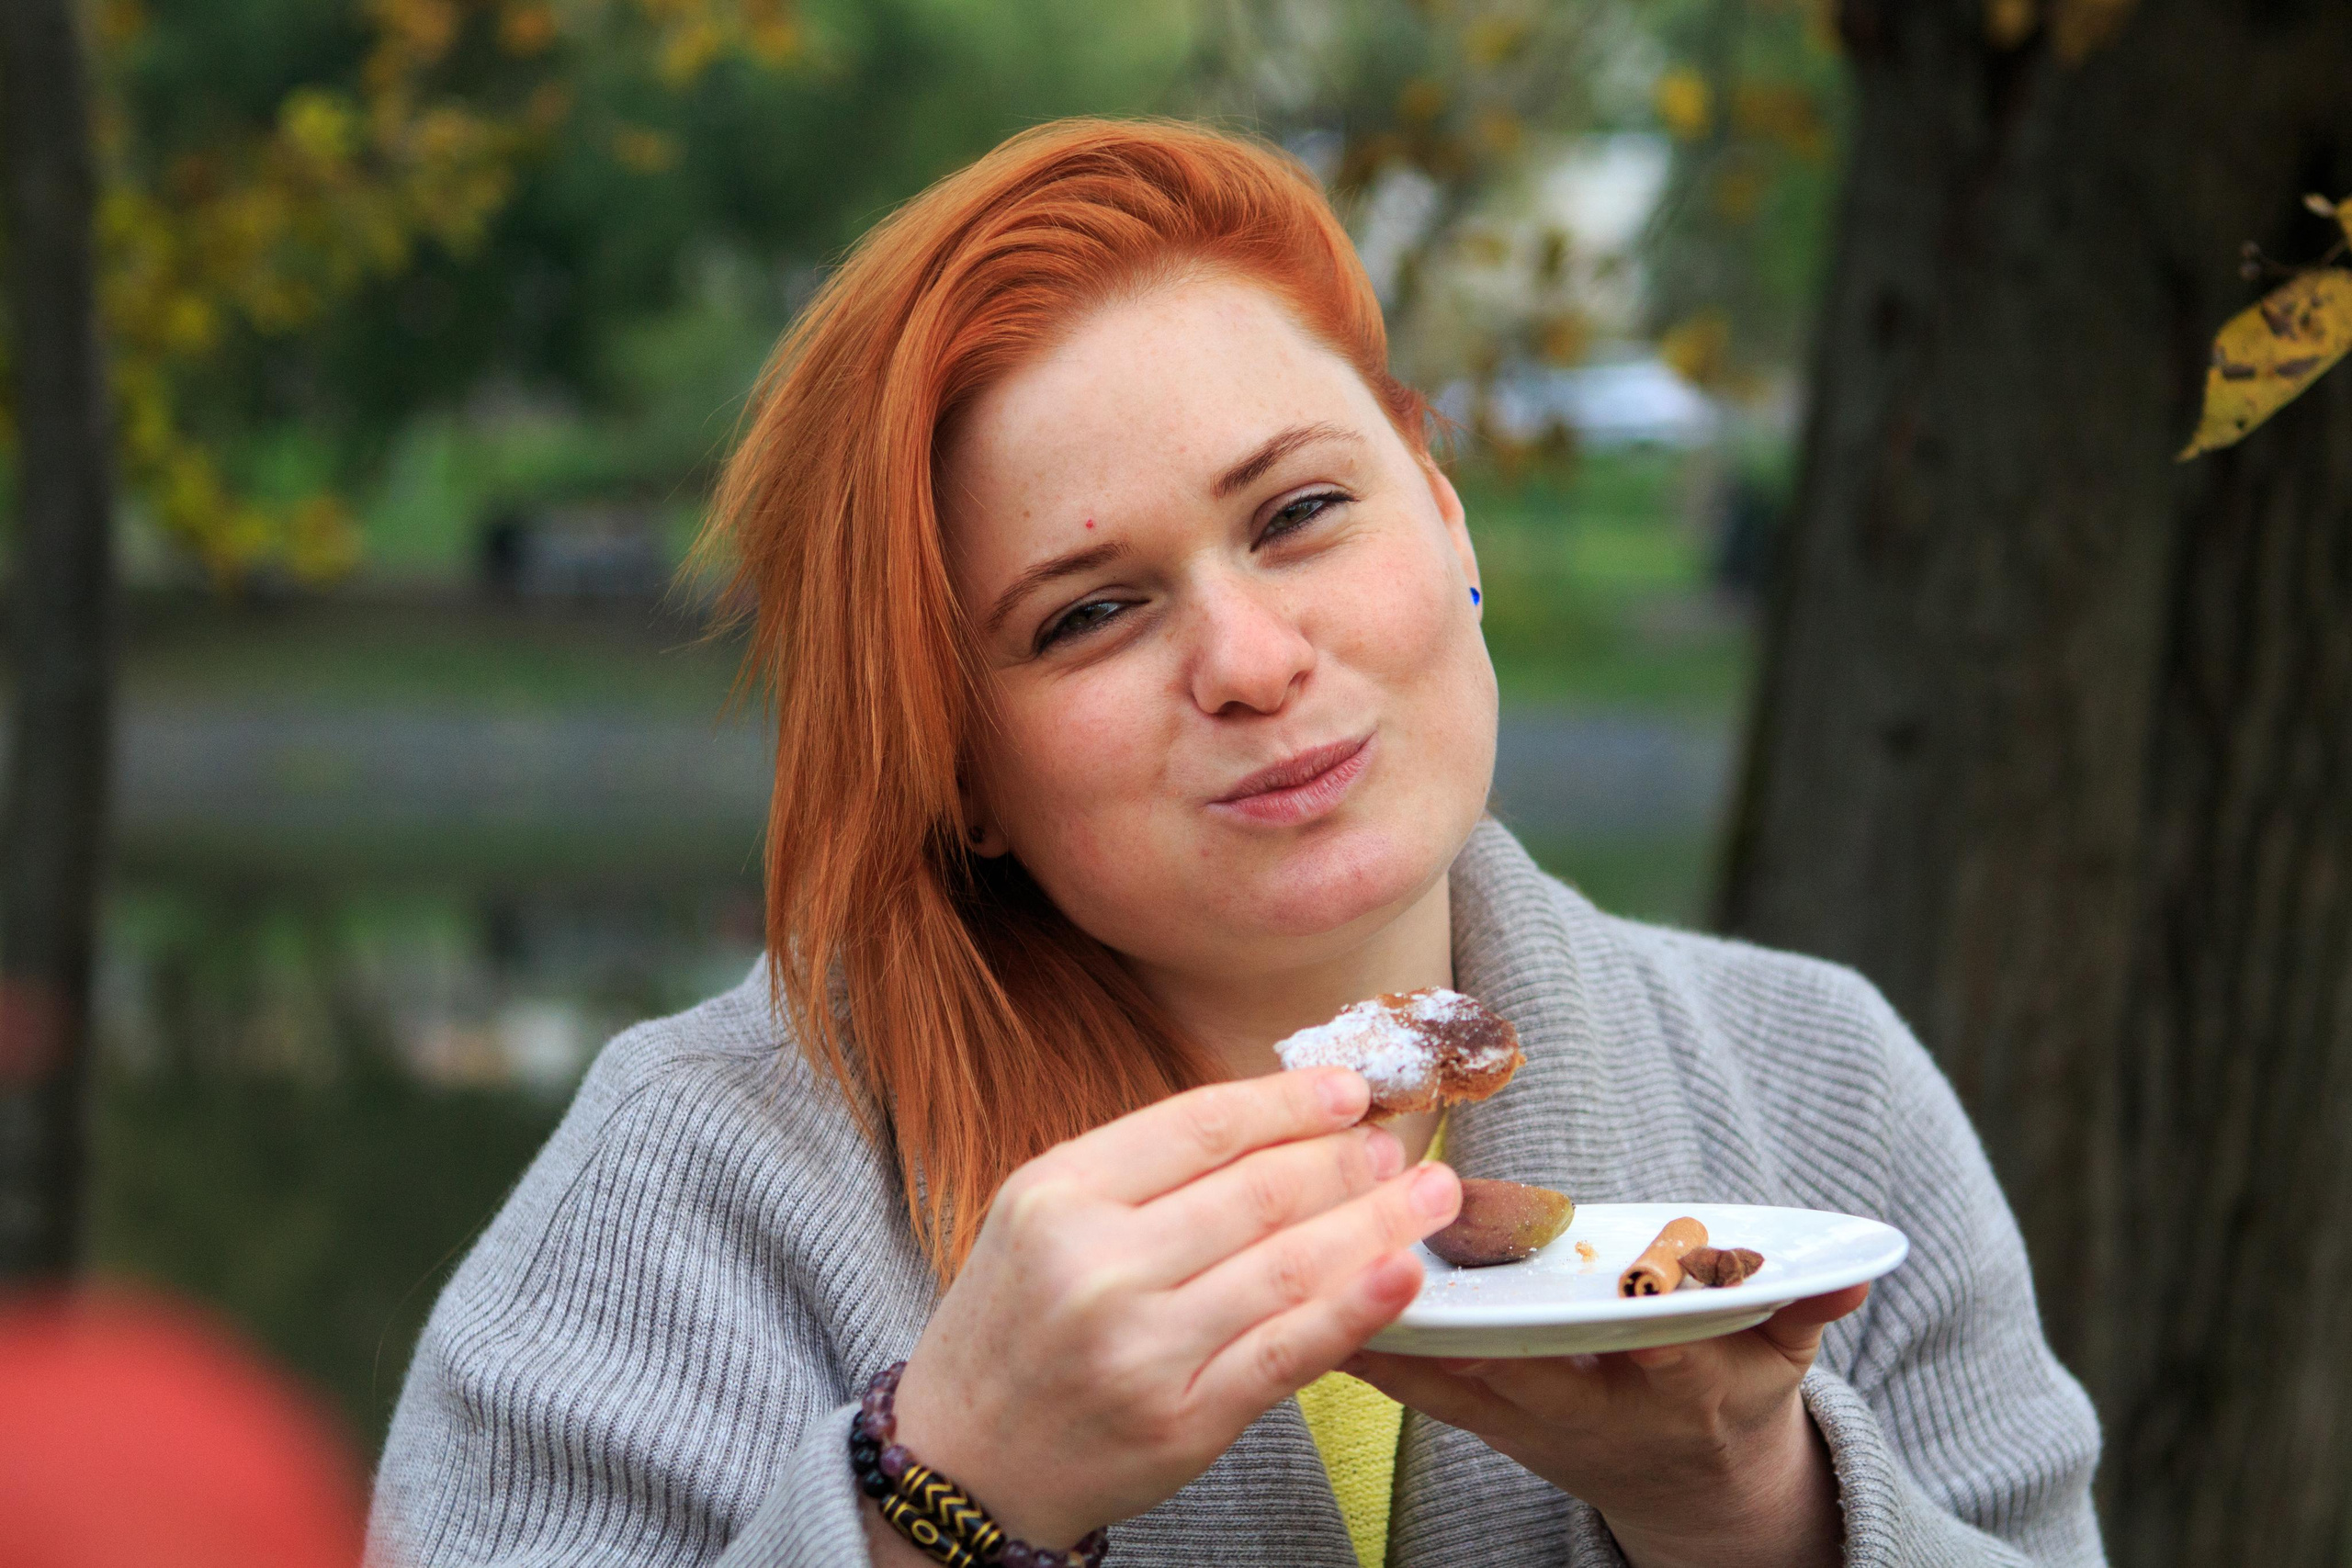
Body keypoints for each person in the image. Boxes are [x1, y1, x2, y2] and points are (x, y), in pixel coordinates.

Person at [366, 119, 2102, 1568]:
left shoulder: (1818, 1093)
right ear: (957, 765)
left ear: (1444, 508)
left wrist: (1749, 1505)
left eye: (1300, 514)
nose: (1254, 662)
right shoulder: (698, 1189)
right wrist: (943, 1496)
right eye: (1089, 615)